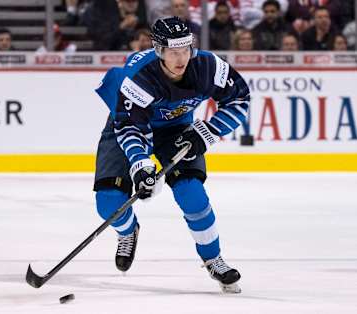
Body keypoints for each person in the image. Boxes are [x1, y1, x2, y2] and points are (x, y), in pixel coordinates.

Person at [94, 16, 249, 293]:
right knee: (108, 204)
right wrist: (140, 165)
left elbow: (239, 98)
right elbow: (130, 127)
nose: (181, 59)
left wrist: (207, 131)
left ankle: (213, 258)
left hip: (177, 129)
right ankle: (128, 230)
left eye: (186, 49)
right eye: (173, 52)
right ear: (158, 50)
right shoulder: (138, 77)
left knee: (192, 194)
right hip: (127, 124)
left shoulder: (208, 66)